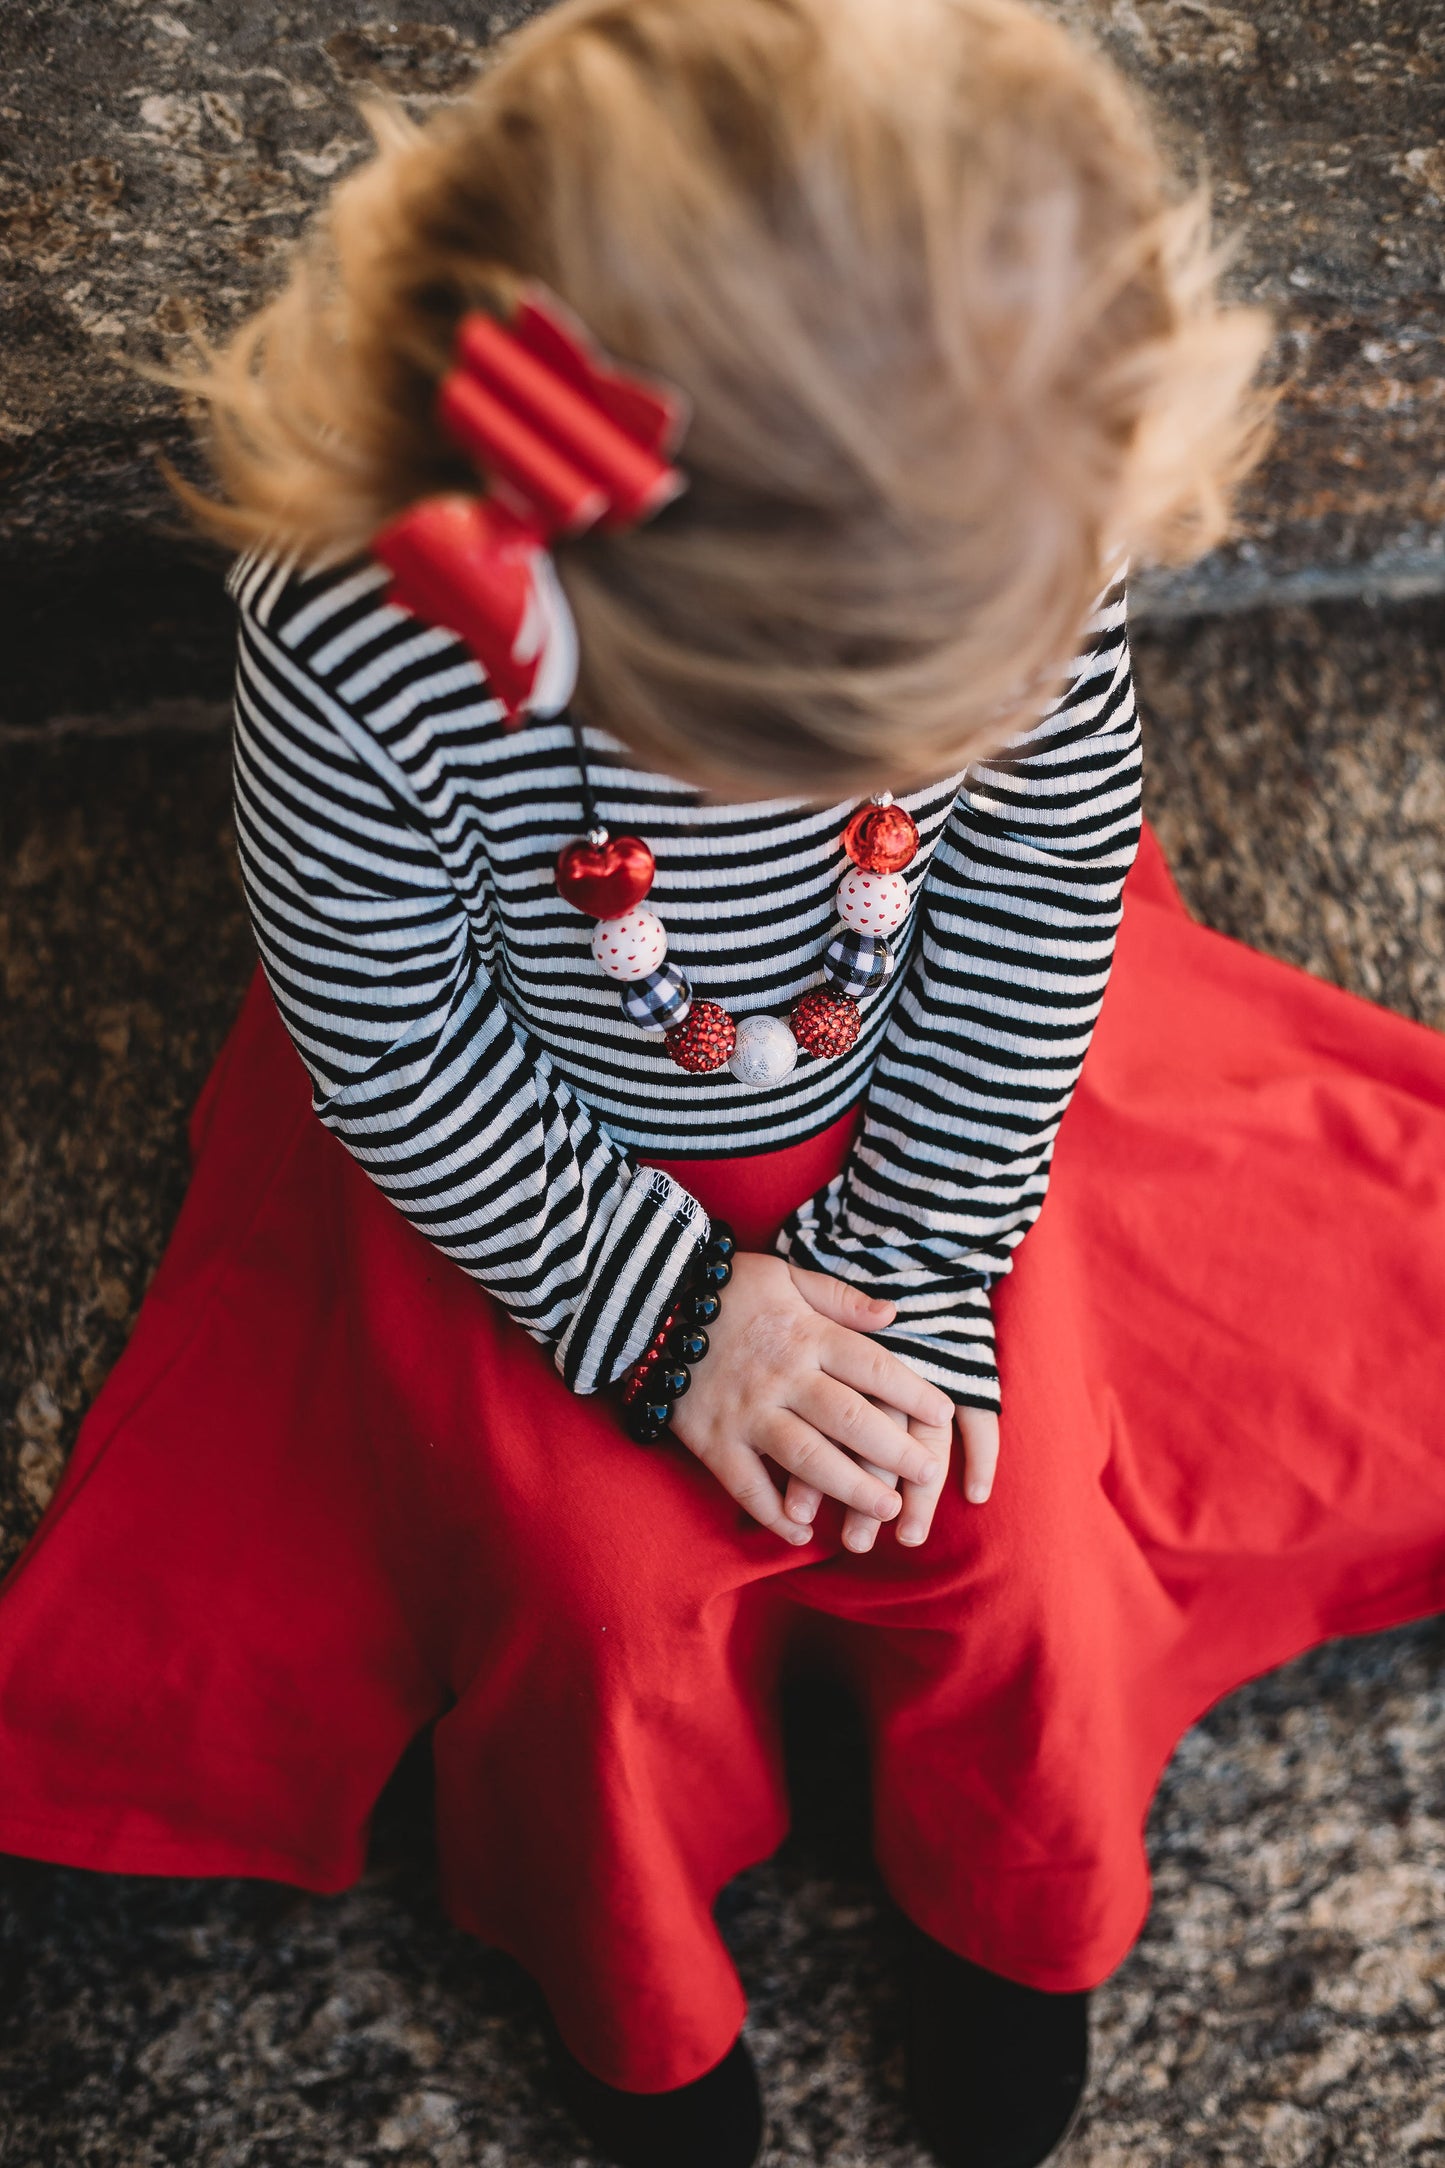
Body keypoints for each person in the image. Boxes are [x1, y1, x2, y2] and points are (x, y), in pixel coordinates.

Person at [5, 3, 1445, 2165]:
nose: (927, 764)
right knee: (595, 1603)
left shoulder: (1008, 481)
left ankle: (1014, 1909)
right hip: (541, 1162)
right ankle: (639, 1992)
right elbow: (389, 1031)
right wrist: (682, 1321)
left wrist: (928, 1255)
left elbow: (1049, 861)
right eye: (841, 750)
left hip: (929, 1091)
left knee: (1002, 1504)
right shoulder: (383, 621)